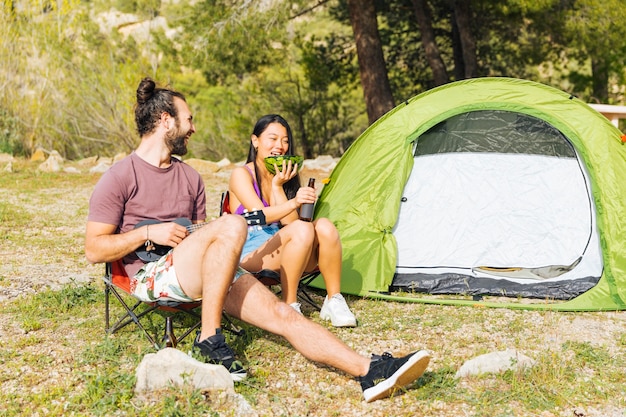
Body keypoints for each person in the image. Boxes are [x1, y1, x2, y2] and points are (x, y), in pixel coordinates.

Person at [85, 77, 432, 403]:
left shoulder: (190, 178)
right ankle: (209, 338)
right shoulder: (119, 176)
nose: (193, 128)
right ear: (165, 120)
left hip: (194, 269)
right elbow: (93, 249)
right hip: (149, 276)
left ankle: (369, 370)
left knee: (285, 314)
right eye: (188, 119)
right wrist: (148, 233)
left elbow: (199, 236)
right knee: (233, 224)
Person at [228, 114, 357, 327]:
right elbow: (260, 214)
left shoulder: (283, 174)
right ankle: (290, 305)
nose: (280, 146)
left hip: (285, 248)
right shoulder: (241, 175)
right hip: (252, 253)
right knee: (303, 229)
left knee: (323, 226)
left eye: (285, 140)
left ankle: (334, 300)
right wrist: (293, 202)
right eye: (273, 138)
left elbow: (292, 224)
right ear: (255, 141)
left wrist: (279, 186)